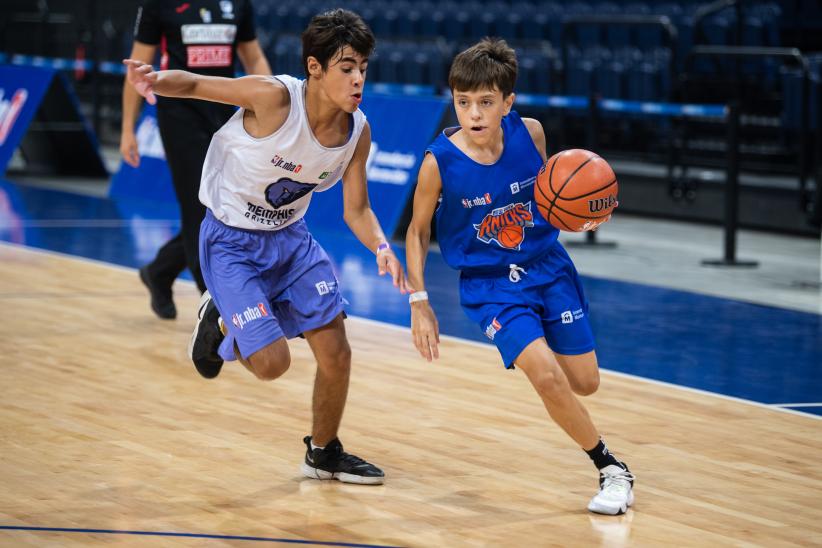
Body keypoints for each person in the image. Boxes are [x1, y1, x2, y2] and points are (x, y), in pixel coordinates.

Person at [124, 8, 411, 485]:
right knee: (273, 364)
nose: (358, 78)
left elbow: (357, 211)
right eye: (347, 68)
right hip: (231, 242)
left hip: (291, 242)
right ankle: (218, 317)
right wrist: (153, 79)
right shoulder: (274, 97)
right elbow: (196, 85)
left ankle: (323, 453)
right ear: (315, 69)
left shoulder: (357, 131)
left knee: (337, 351)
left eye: (363, 67)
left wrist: (381, 246)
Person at [404, 38, 635, 515]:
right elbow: (417, 230)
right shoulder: (437, 163)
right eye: (463, 102)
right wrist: (420, 302)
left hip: (547, 269)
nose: (474, 113)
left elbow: (557, 200)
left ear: (508, 102)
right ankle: (611, 467)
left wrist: (587, 213)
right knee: (545, 375)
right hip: (490, 287)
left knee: (584, 382)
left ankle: (581, 415)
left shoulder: (531, 134)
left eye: (486, 101)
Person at [121, 0, 272, 319]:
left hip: (225, 115)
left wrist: (274, 105)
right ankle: (214, 305)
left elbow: (253, 56)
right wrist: (127, 128)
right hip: (179, 115)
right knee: (199, 207)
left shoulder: (238, 4)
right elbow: (138, 64)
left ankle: (160, 271)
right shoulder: (158, 6)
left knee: (223, 208)